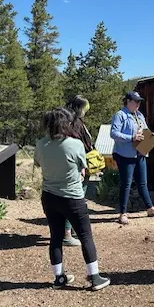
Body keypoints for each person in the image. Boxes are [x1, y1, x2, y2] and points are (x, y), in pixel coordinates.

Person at [34, 107, 110, 291]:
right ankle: (94, 277)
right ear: (66, 124)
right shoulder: (75, 144)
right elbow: (83, 170)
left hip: (49, 196)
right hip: (72, 197)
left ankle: (59, 277)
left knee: (56, 237)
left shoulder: (41, 144)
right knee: (85, 236)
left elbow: (38, 163)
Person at [110, 91, 154, 225]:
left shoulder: (139, 116)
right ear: (127, 101)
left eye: (139, 101)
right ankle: (123, 213)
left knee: (143, 183)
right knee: (126, 184)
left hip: (140, 153)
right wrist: (131, 138)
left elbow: (147, 133)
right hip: (125, 155)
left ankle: (150, 208)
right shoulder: (120, 115)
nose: (138, 104)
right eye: (135, 101)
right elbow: (113, 133)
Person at [61, 95, 94, 247]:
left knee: (74, 198)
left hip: (75, 164)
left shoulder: (66, 120)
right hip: (77, 166)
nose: (85, 112)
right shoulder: (73, 123)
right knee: (75, 199)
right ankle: (67, 233)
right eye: (84, 108)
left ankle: (71, 229)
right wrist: (81, 166)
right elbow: (77, 145)